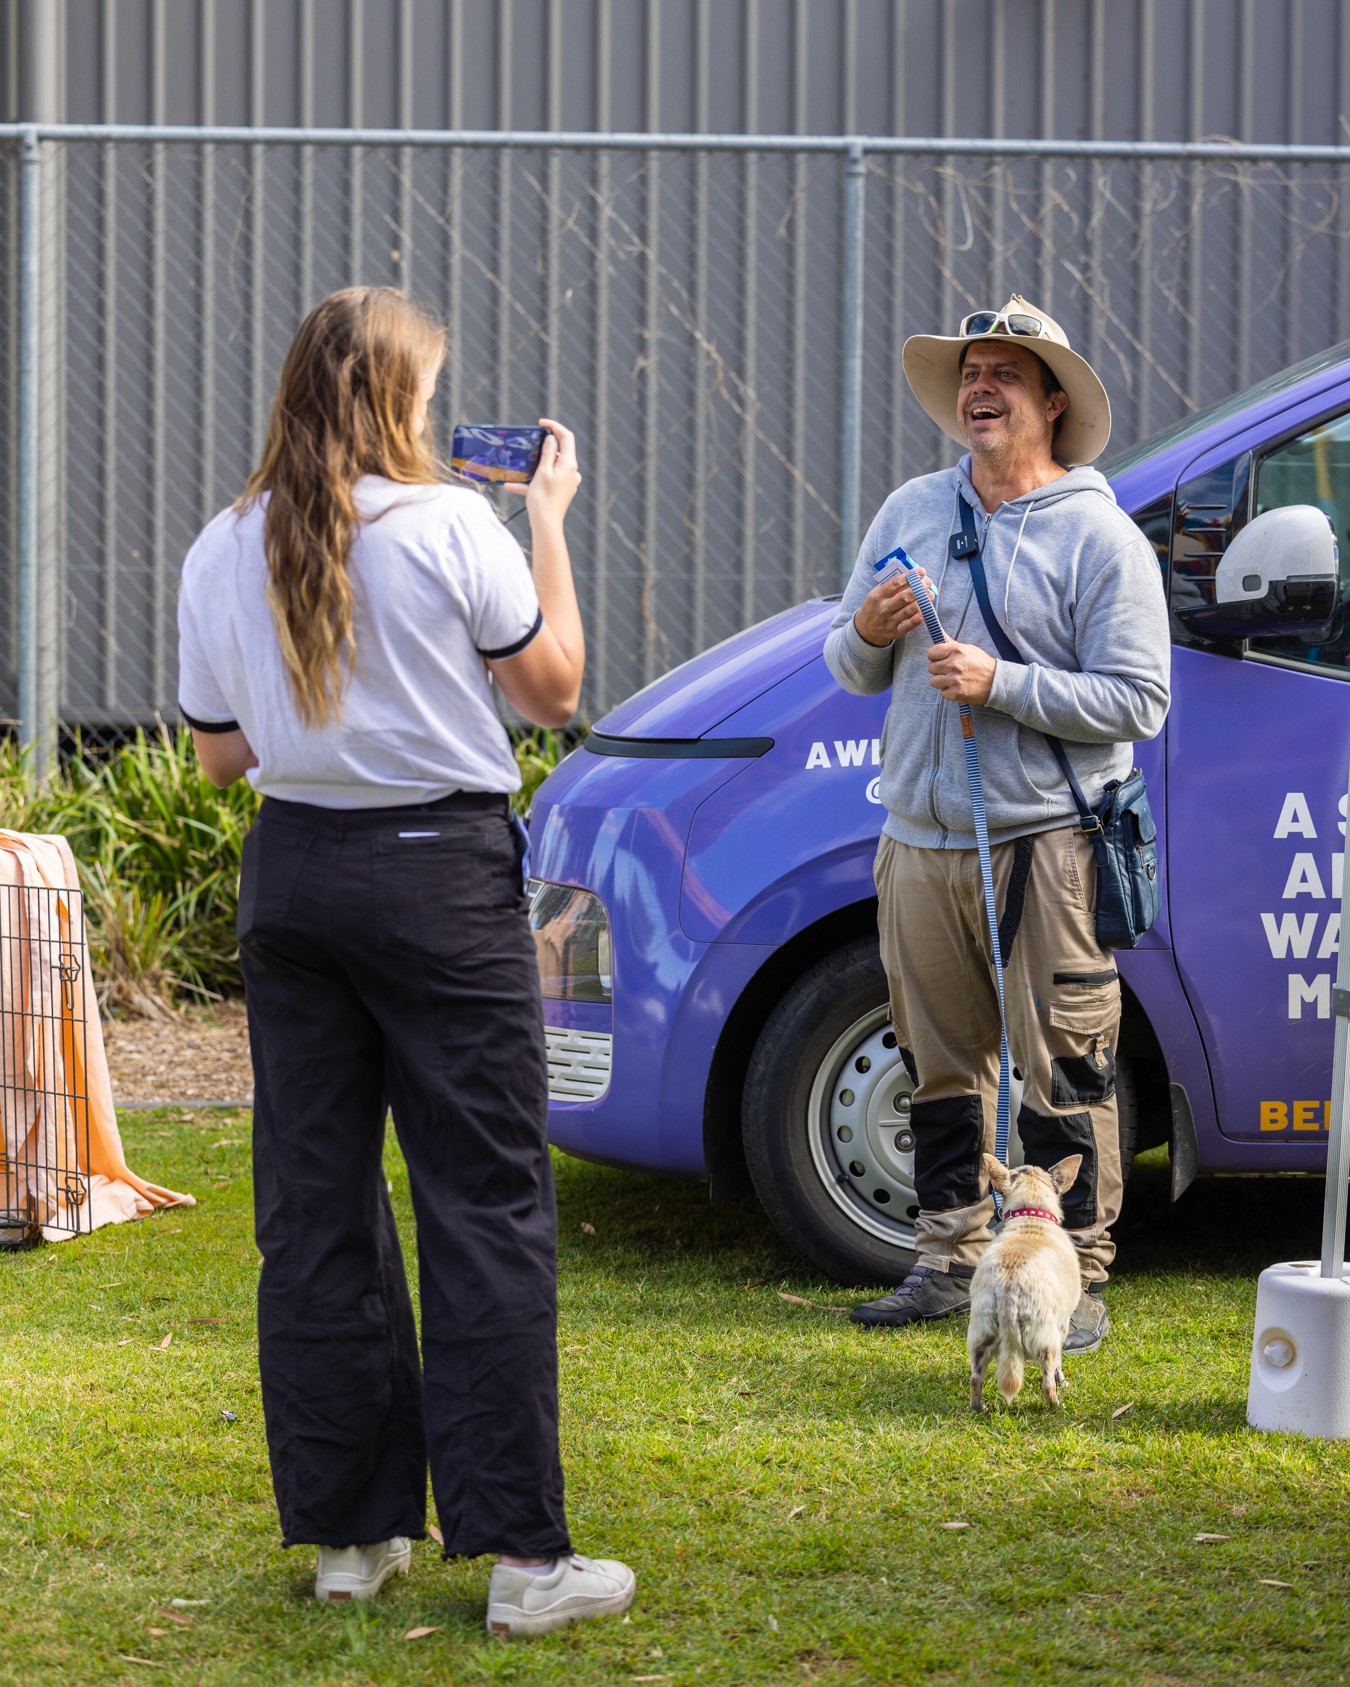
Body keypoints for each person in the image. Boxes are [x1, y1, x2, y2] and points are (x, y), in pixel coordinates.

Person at [176, 286, 634, 1637]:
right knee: (482, 1201)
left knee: (314, 1206)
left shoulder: (223, 542)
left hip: (297, 876)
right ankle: (520, 1559)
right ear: (396, 401)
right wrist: (545, 522)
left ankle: (352, 1533)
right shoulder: (451, 524)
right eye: (426, 396)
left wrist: (324, 701)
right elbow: (550, 687)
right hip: (437, 873)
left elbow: (219, 753)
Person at [823, 294, 1170, 1352]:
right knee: (940, 1067)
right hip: (920, 841)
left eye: (1005, 373)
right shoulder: (909, 510)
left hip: (1050, 846)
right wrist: (869, 632)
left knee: (1066, 1065)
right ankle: (945, 1258)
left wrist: (1002, 682)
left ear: (1052, 402)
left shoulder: (1102, 538)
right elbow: (846, 664)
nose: (980, 386)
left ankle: (1079, 1275)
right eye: (971, 371)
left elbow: (1138, 701)